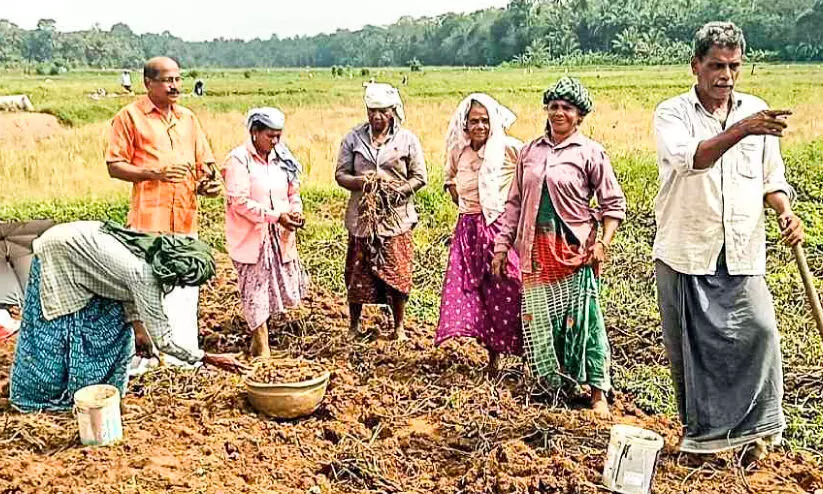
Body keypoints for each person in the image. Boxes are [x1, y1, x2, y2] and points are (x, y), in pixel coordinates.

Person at [653, 22, 803, 461]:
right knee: (692, 351)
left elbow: (771, 178)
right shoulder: (672, 113)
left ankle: (754, 436)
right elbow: (692, 159)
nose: (726, 75)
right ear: (695, 65)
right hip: (687, 247)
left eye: (734, 66)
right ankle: (703, 439)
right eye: (716, 65)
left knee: (760, 331)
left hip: (741, 246)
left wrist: (784, 210)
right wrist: (743, 128)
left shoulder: (755, 111)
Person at [9, 221, 247, 412]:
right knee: (56, 334)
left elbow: (123, 287)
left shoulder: (153, 252)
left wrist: (139, 331)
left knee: (115, 332)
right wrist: (209, 358)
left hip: (81, 251)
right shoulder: (145, 275)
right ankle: (37, 398)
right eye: (184, 281)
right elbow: (164, 340)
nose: (183, 286)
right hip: (58, 256)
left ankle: (103, 396)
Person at [493, 77, 626, 417]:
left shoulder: (591, 153)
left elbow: (613, 205)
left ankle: (597, 391)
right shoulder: (530, 152)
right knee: (540, 322)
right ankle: (551, 388)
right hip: (536, 254)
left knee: (585, 321)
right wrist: (501, 245)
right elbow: (514, 203)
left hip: (573, 253)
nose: (558, 113)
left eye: (566, 108)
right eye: (553, 106)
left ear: (579, 116)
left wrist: (603, 244)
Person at [105, 56, 221, 367]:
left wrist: (208, 185)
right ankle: (151, 355)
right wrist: (155, 172)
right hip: (148, 222)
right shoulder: (129, 117)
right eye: (168, 80)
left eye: (178, 80)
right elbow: (114, 166)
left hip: (184, 217)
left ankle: (184, 356)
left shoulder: (188, 119)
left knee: (185, 287)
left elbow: (204, 167)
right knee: (149, 285)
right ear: (149, 84)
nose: (175, 86)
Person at [435, 93, 523, 373]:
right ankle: (493, 358)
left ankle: (526, 353)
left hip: (498, 227)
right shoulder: (458, 151)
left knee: (512, 285)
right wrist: (465, 208)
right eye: (474, 121)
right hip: (468, 229)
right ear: (465, 123)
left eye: (485, 121)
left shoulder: (509, 148)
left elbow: (531, 173)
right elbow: (449, 180)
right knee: (480, 293)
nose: (480, 127)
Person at [335, 83, 427, 341]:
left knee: (397, 272)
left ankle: (398, 327)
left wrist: (398, 191)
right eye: (371, 111)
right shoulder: (353, 138)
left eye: (382, 111)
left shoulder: (407, 140)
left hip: (395, 218)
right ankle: (353, 326)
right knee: (356, 272)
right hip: (363, 218)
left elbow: (420, 177)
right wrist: (362, 182)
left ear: (392, 112)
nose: (376, 116)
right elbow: (341, 174)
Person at [223, 108, 308, 357]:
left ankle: (257, 340)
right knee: (254, 289)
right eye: (270, 136)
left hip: (279, 235)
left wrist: (295, 211)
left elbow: (293, 191)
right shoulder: (238, 160)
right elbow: (238, 201)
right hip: (252, 235)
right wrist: (274, 216)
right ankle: (263, 346)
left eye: (278, 136)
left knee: (270, 288)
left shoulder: (282, 158)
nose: (275, 141)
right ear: (254, 132)